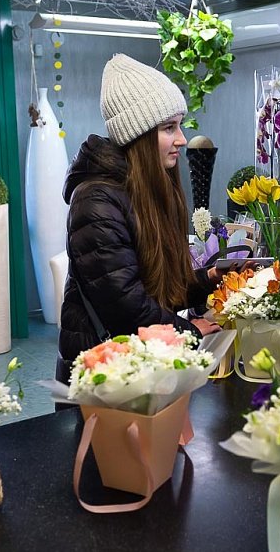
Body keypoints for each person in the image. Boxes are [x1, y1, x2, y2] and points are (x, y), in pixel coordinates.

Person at [56, 54, 227, 385]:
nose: (181, 138)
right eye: (168, 128)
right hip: (104, 380)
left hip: (137, 368)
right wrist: (188, 331)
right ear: (138, 136)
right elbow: (127, 308)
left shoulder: (143, 191)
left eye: (179, 125)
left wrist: (208, 279)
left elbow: (157, 289)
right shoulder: (96, 202)